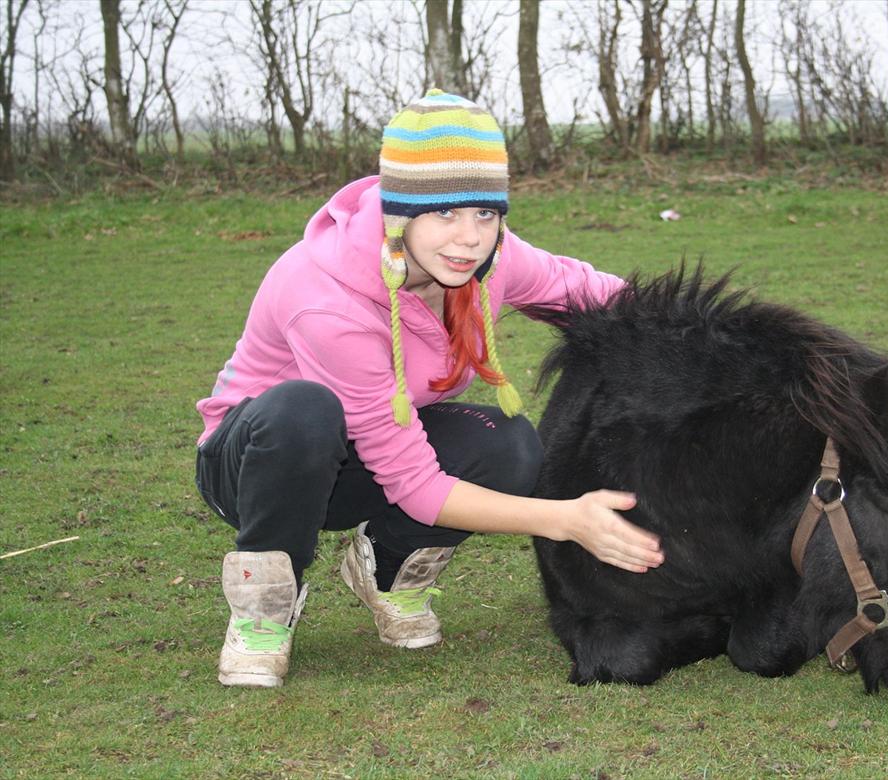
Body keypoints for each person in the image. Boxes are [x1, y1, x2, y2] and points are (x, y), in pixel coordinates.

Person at [194, 90, 665, 688]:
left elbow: (591, 293)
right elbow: (413, 481)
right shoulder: (324, 298)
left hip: (366, 455)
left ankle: (388, 567)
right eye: (445, 213)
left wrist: (714, 333)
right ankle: (263, 607)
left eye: (485, 214)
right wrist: (565, 520)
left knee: (510, 445)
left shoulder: (484, 260)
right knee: (304, 410)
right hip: (255, 464)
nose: (469, 238)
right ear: (400, 214)